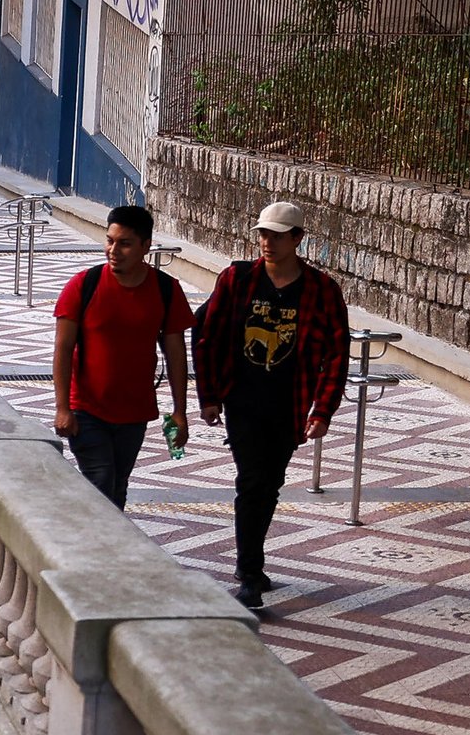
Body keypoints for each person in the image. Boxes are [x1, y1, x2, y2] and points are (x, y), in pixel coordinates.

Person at [193, 200, 351, 609]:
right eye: (263, 234)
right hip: (242, 399)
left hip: (290, 404)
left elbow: (337, 353)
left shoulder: (322, 290)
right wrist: (208, 396)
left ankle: (254, 565)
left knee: (270, 483)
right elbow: (206, 334)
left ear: (298, 239)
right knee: (251, 480)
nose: (267, 242)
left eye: (278, 235)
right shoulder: (237, 279)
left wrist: (323, 410)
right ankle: (248, 573)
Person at [49, 203, 193, 511]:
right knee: (101, 482)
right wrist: (62, 407)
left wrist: (180, 411)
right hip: (86, 409)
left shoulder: (166, 290)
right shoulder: (83, 285)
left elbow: (176, 354)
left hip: (134, 413)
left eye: (124, 243)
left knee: (118, 485)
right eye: (110, 240)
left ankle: (105, 552)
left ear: (145, 246)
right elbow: (62, 350)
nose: (114, 250)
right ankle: (95, 554)